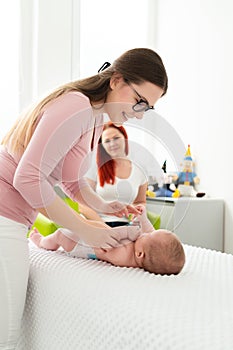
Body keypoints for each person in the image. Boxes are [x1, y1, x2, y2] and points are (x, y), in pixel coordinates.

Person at [0, 47, 168, 349]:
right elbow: (27, 178)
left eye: (148, 108)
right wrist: (85, 230)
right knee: (6, 335)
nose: (139, 114)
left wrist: (103, 206)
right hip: (4, 215)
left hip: (12, 217)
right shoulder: (77, 108)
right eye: (139, 101)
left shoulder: (92, 117)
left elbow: (70, 180)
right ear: (117, 80)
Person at [29, 207, 185, 275]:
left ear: (139, 254)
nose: (145, 233)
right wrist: (142, 218)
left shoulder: (123, 256)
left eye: (147, 236)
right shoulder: (142, 247)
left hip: (82, 246)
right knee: (79, 220)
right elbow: (150, 231)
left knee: (61, 235)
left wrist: (126, 231)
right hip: (91, 233)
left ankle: (41, 241)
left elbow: (107, 244)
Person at [81, 122, 148, 227]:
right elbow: (83, 205)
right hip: (98, 224)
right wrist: (103, 227)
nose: (112, 144)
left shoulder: (140, 171)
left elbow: (140, 201)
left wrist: (138, 210)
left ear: (124, 137)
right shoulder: (94, 167)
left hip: (127, 225)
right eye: (107, 141)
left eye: (116, 138)